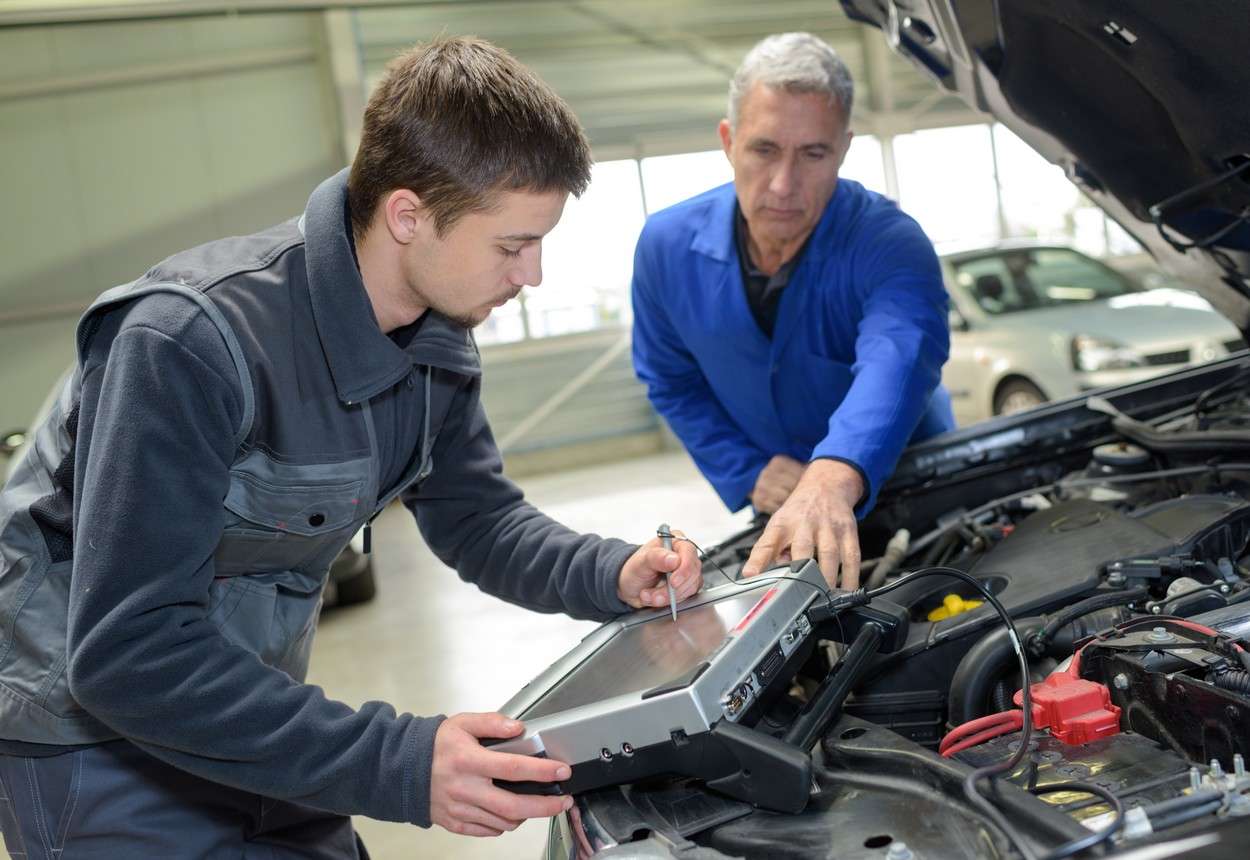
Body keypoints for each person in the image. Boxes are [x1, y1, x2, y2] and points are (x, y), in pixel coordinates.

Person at [0, 37, 702, 856]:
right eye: (512, 245)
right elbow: (128, 650)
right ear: (408, 216)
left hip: (248, 710)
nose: (533, 275)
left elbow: (477, 519)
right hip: (90, 741)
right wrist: (400, 760)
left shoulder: (436, 346)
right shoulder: (189, 341)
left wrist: (610, 572)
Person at [631, 32, 954, 589]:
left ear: (844, 149)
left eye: (813, 153)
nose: (783, 184)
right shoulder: (666, 248)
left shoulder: (890, 243)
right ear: (728, 141)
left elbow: (900, 355)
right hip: (778, 499)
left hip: (916, 491)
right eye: (764, 149)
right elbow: (671, 380)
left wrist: (833, 473)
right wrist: (747, 470)